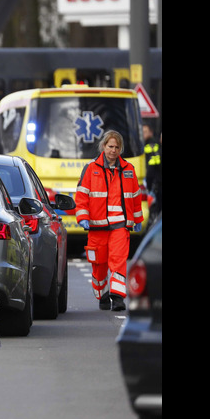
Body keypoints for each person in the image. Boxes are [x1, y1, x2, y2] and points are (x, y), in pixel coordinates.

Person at [75, 130, 144, 311]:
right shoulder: (91, 169)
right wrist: (82, 217)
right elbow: (82, 196)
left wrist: (138, 219)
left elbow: (135, 197)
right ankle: (102, 294)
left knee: (118, 260)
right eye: (110, 146)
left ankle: (118, 297)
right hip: (97, 227)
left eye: (117, 147)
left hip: (120, 226)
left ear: (121, 149)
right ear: (103, 146)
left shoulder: (128, 170)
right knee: (99, 266)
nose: (113, 150)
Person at [142, 124, 162, 218]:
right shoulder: (158, 145)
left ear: (151, 132)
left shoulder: (147, 146)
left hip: (155, 182)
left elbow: (150, 168)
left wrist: (149, 186)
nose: (143, 134)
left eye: (145, 132)